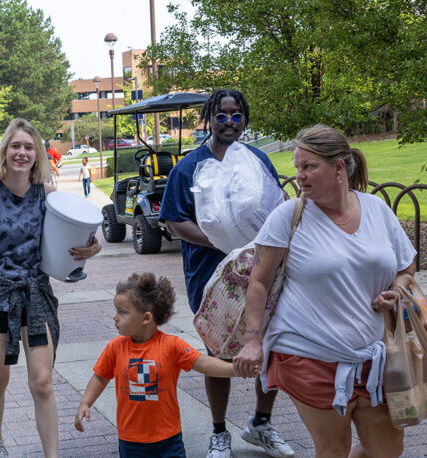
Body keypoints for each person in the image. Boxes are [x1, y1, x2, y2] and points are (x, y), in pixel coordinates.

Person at [234, 124, 416, 457]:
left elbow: (406, 267)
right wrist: (252, 341)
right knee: (333, 450)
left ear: (339, 167)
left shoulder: (377, 210)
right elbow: (258, 281)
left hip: (374, 355)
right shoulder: (288, 216)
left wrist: (397, 289)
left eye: (309, 166)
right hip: (309, 353)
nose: (300, 176)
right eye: (298, 167)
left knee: (387, 450)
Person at [0, 118, 101, 458]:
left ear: (38, 154)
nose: (22, 152)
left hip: (35, 295)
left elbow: (76, 238)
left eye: (29, 147)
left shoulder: (46, 193)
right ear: (5, 151)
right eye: (15, 146)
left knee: (42, 382)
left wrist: (93, 248)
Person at [159, 89, 294, 458]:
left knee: (266, 345)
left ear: (245, 119)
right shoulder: (189, 166)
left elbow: (277, 208)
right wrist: (221, 241)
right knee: (218, 351)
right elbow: (173, 220)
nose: (230, 122)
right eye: (222, 115)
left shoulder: (257, 159)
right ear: (210, 119)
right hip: (210, 273)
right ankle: (219, 432)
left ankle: (261, 423)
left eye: (236, 115)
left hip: (260, 270)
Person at [74, 273, 247, 457]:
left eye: (122, 312)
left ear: (146, 318)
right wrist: (86, 402)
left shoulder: (172, 345)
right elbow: (100, 377)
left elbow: (203, 363)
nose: (115, 317)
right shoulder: (115, 348)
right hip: (131, 439)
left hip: (168, 437)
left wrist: (234, 369)